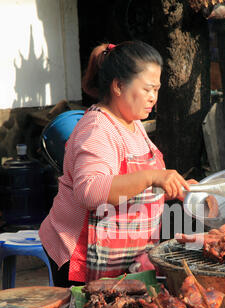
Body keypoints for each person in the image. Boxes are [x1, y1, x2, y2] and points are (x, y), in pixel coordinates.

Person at [39, 40, 195, 288]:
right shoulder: (97, 129)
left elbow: (132, 187)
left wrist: (174, 187)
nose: (153, 97)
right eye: (147, 89)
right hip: (83, 254)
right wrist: (152, 177)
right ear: (119, 86)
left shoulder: (132, 123)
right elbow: (90, 191)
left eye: (156, 89)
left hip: (123, 250)